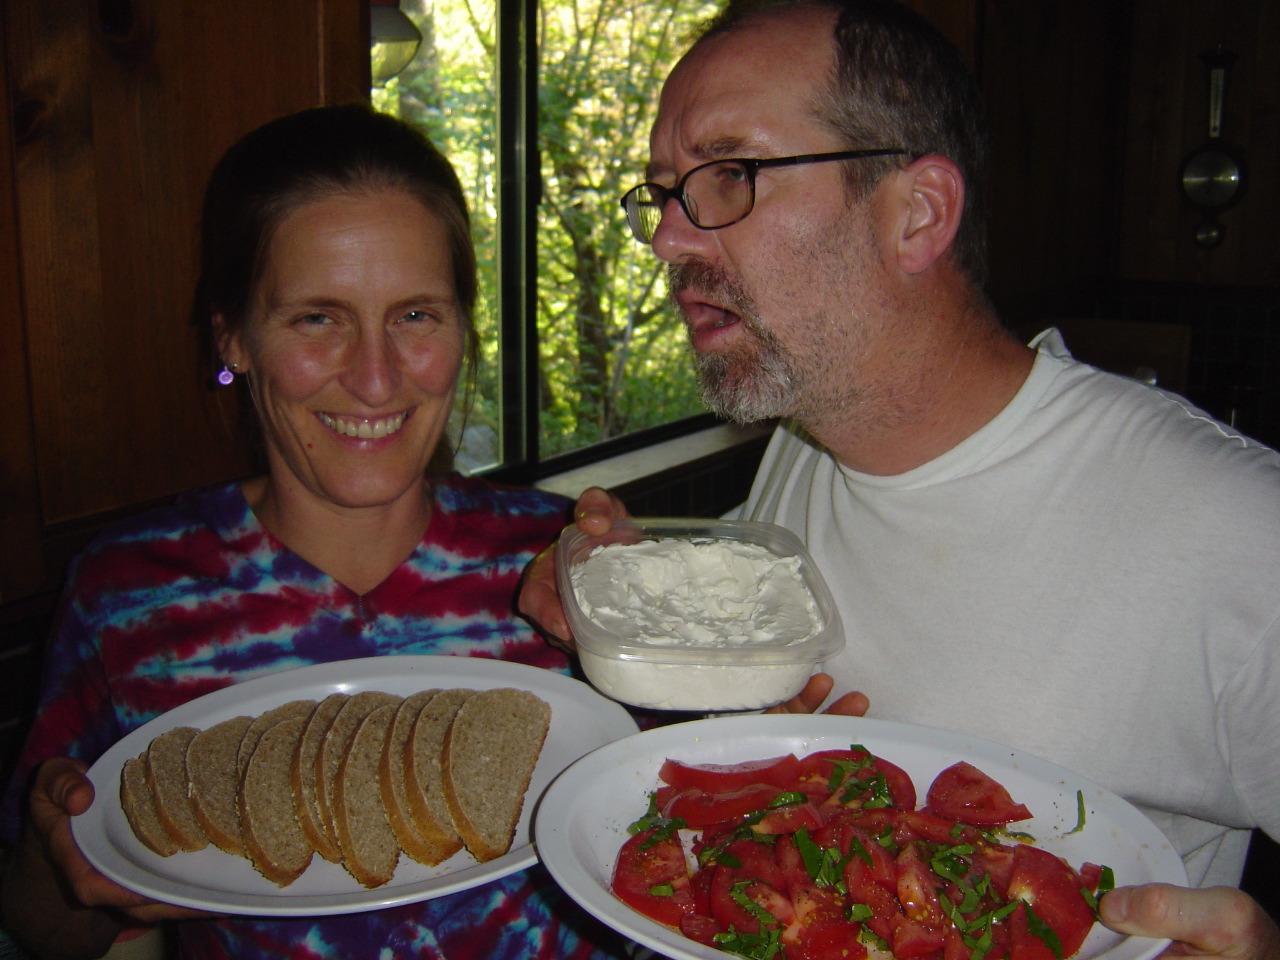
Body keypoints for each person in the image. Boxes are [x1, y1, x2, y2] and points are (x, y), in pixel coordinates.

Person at [518, 1, 1280, 958]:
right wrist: (625, 597)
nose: (670, 239)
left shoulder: (1239, 528)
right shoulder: (806, 447)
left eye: (727, 176)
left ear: (916, 214)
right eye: (665, 192)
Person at [0, 104, 627, 960]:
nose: (375, 379)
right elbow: (43, 930)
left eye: (415, 315)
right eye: (316, 318)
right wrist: (59, 857)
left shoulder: (559, 564)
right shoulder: (130, 591)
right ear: (234, 337)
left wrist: (655, 619)